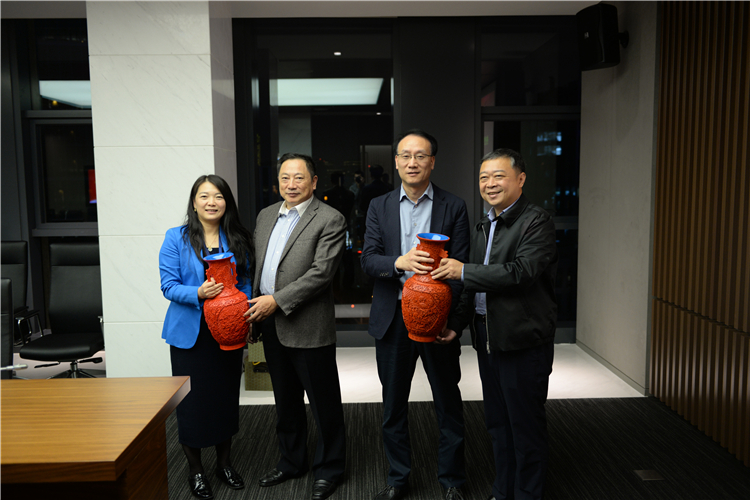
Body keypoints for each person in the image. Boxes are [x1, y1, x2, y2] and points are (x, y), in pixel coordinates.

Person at [433, 149, 558, 500]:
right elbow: (473, 287)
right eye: (484, 177)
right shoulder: (484, 224)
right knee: (498, 424)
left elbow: (521, 273)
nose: (490, 184)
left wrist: (463, 270)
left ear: (521, 179)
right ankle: (503, 491)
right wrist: (457, 323)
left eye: (498, 176)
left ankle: (527, 494)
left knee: (525, 426)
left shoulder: (537, 221)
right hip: (488, 338)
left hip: (523, 340)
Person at [361, 130, 470, 500]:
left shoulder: (454, 206)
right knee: (393, 407)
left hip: (438, 319)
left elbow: (462, 269)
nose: (412, 162)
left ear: (432, 161)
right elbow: (368, 259)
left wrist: (452, 320)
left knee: (448, 404)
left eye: (420, 155)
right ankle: (398, 479)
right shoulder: (379, 206)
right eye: (405, 155)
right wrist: (399, 262)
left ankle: (452, 480)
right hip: (393, 318)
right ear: (395, 161)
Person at [245, 153, 347, 500]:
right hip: (270, 324)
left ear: (314, 181)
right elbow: (259, 265)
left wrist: (275, 300)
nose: (291, 184)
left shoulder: (330, 218)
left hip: (308, 326)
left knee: (324, 404)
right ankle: (291, 461)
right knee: (285, 401)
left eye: (299, 178)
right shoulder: (266, 215)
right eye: (285, 178)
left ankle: (330, 469)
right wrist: (257, 307)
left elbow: (321, 273)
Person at [159, 174, 254, 500]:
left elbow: (246, 281)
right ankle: (195, 469)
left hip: (228, 331)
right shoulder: (176, 238)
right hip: (191, 335)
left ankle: (224, 464)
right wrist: (198, 293)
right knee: (192, 404)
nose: (211, 202)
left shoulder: (238, 237)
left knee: (225, 398)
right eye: (204, 196)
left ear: (227, 202)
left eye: (218, 196)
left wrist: (242, 309)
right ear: (194, 202)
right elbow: (168, 286)